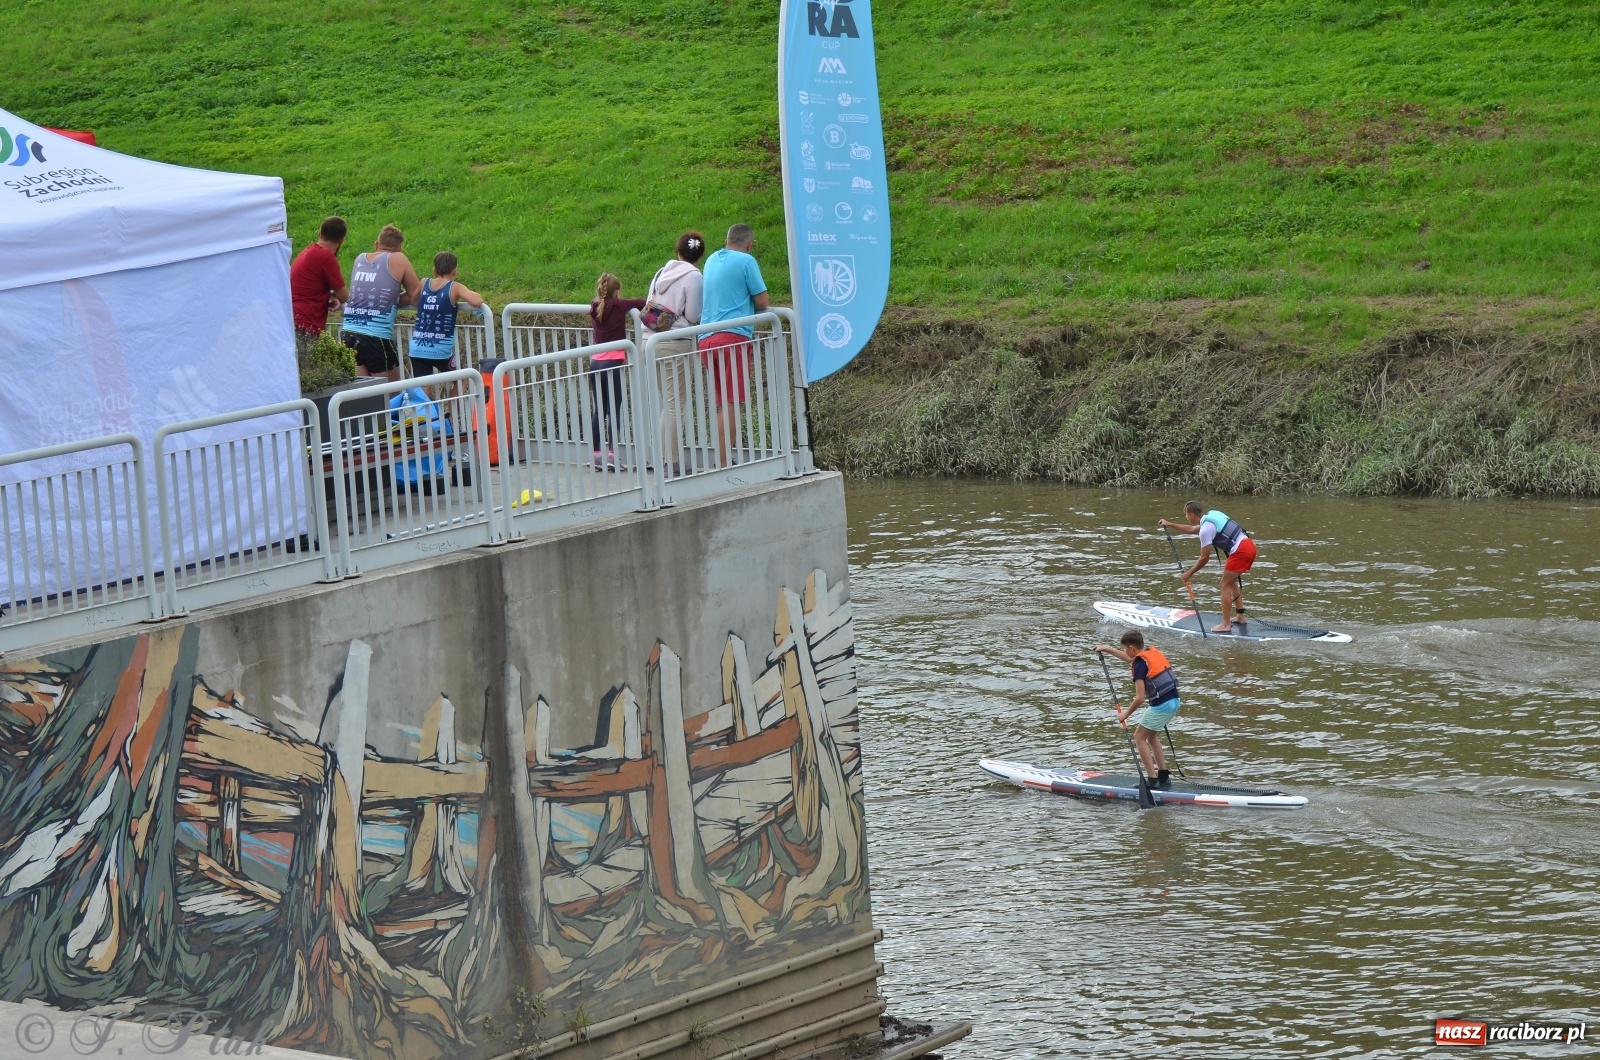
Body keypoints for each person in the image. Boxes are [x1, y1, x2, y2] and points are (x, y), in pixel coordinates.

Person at [697, 224, 769, 465]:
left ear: (726, 241)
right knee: (731, 403)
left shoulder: (711, 260)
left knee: (723, 402)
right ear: (750, 245)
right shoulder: (747, 261)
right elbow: (763, 301)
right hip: (732, 337)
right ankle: (725, 464)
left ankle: (722, 460)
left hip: (706, 338)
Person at [647, 231, 706, 476]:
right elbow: (692, 315)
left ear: (678, 251)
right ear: (699, 255)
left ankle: (663, 459)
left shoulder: (661, 272)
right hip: (675, 343)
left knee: (667, 404)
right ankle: (670, 463)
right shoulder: (694, 277)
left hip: (649, 342)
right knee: (675, 405)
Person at [1093, 629, 1181, 789]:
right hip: (1174, 701)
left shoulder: (1140, 664)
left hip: (1162, 705)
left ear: (1131, 648)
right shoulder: (1150, 653)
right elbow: (1128, 658)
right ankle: (1163, 777)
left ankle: (1152, 780)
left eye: (1125, 648)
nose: (1125, 652)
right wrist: (1105, 648)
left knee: (1139, 737)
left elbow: (1140, 697)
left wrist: (1125, 715)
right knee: (1151, 736)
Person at [341, 224, 422, 382]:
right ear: (399, 248)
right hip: (376, 336)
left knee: (364, 393)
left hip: (349, 332)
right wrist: (393, 299)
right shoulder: (399, 258)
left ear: (376, 244)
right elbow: (415, 295)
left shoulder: (360, 258)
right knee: (391, 392)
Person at [1160, 502, 1257, 632]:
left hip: (1241, 551)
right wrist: (1169, 524)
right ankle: (1240, 616)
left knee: (1224, 585)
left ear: (1192, 515)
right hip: (1249, 546)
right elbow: (1192, 529)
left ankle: (1225, 625)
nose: (1186, 517)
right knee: (1230, 582)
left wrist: (1189, 573)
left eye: (1186, 514)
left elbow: (1204, 558)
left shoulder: (1205, 530)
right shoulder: (1212, 515)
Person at [588, 272, 647, 470]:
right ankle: (612, 455)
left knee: (599, 410)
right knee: (614, 409)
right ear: (617, 291)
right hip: (613, 363)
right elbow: (642, 302)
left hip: (595, 363)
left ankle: (596, 455)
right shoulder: (619, 305)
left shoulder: (594, 306)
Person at [409, 252, 485, 377]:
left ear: (434, 270)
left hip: (417, 348)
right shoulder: (455, 287)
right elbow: (477, 301)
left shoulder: (424, 282)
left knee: (423, 385)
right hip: (439, 350)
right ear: (455, 271)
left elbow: (413, 301)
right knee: (461, 379)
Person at [289, 216, 349, 354]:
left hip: (293, 319)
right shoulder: (326, 256)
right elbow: (344, 296)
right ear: (341, 240)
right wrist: (335, 295)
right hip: (306, 323)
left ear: (319, 233)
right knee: (307, 365)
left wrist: (330, 294)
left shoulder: (309, 250)